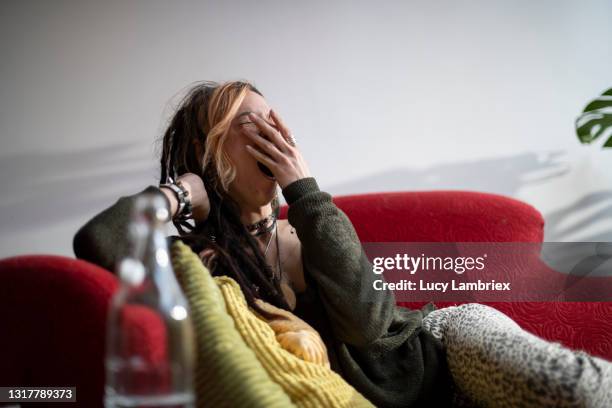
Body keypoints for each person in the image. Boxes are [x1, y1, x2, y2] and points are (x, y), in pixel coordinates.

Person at [74, 80, 612, 408]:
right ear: (204, 147)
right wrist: (179, 191)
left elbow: (370, 326)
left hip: (443, 348)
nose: (273, 134)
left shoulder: (308, 223)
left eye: (274, 121)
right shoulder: (197, 262)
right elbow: (98, 242)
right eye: (248, 124)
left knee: (577, 391)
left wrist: (304, 191)